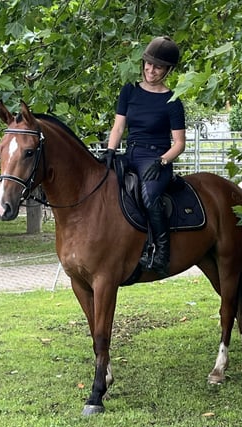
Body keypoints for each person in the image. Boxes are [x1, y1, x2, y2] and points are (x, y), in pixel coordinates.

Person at [100, 36, 186, 276]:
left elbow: (179, 143)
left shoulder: (173, 101)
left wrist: (162, 161)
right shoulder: (129, 91)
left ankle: (161, 251)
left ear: (168, 70)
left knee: (149, 196)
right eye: (148, 64)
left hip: (156, 159)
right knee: (101, 181)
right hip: (131, 153)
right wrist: (110, 151)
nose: (151, 70)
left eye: (158, 66)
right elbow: (118, 127)